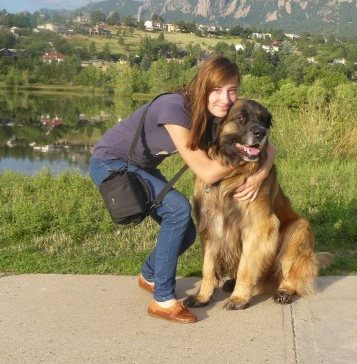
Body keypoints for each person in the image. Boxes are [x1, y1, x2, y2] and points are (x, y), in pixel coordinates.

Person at [89, 55, 276, 323]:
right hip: (111, 163)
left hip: (142, 167)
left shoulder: (209, 113)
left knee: (186, 232)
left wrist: (261, 173)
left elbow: (270, 148)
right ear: (202, 86)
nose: (225, 98)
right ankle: (162, 299)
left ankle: (150, 275)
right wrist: (248, 159)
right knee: (178, 209)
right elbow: (208, 172)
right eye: (216, 90)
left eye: (231, 90)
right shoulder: (175, 110)